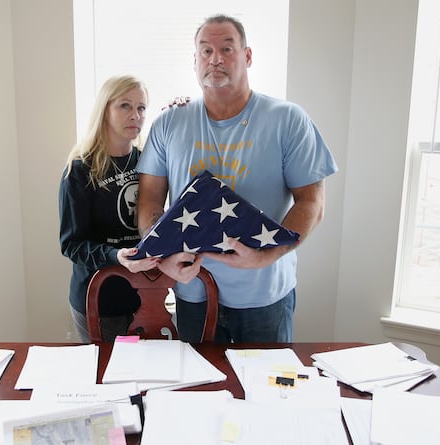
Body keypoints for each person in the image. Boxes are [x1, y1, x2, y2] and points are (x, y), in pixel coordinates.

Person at [136, 14, 338, 344]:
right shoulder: (168, 123)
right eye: (206, 50)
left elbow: (313, 203)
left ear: (247, 56)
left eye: (227, 49)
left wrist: (266, 256)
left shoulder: (287, 120)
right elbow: (149, 202)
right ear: (195, 60)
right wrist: (163, 258)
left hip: (265, 299)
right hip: (193, 295)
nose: (215, 58)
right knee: (197, 393)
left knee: (268, 393)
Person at [59, 75, 160, 343]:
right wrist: (117, 256)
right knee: (109, 381)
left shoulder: (149, 162)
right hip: (99, 302)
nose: (135, 115)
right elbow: (72, 244)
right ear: (104, 111)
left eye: (141, 108)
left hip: (146, 296)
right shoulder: (79, 170)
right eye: (125, 106)